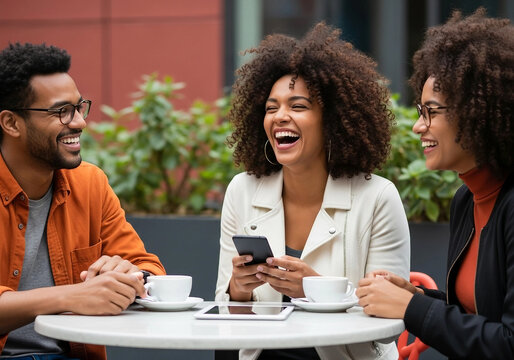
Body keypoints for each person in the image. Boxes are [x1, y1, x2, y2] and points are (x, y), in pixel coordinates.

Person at [215, 22, 410, 360]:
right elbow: (225, 320)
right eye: (271, 107)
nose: (280, 117)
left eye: (298, 106)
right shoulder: (242, 191)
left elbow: (389, 320)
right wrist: (239, 289)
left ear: (332, 120)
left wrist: (314, 290)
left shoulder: (378, 197)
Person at [356, 9, 514, 360]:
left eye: (431, 111)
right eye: (419, 111)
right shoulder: (466, 200)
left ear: (476, 112)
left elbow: (508, 343)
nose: (418, 126)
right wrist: (415, 296)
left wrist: (413, 309)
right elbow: (476, 312)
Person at [0, 43, 165, 360]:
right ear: (11, 123)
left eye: (79, 107)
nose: (79, 122)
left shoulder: (90, 184)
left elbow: (150, 271)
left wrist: (127, 275)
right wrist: (73, 295)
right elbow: (77, 296)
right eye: (61, 111)